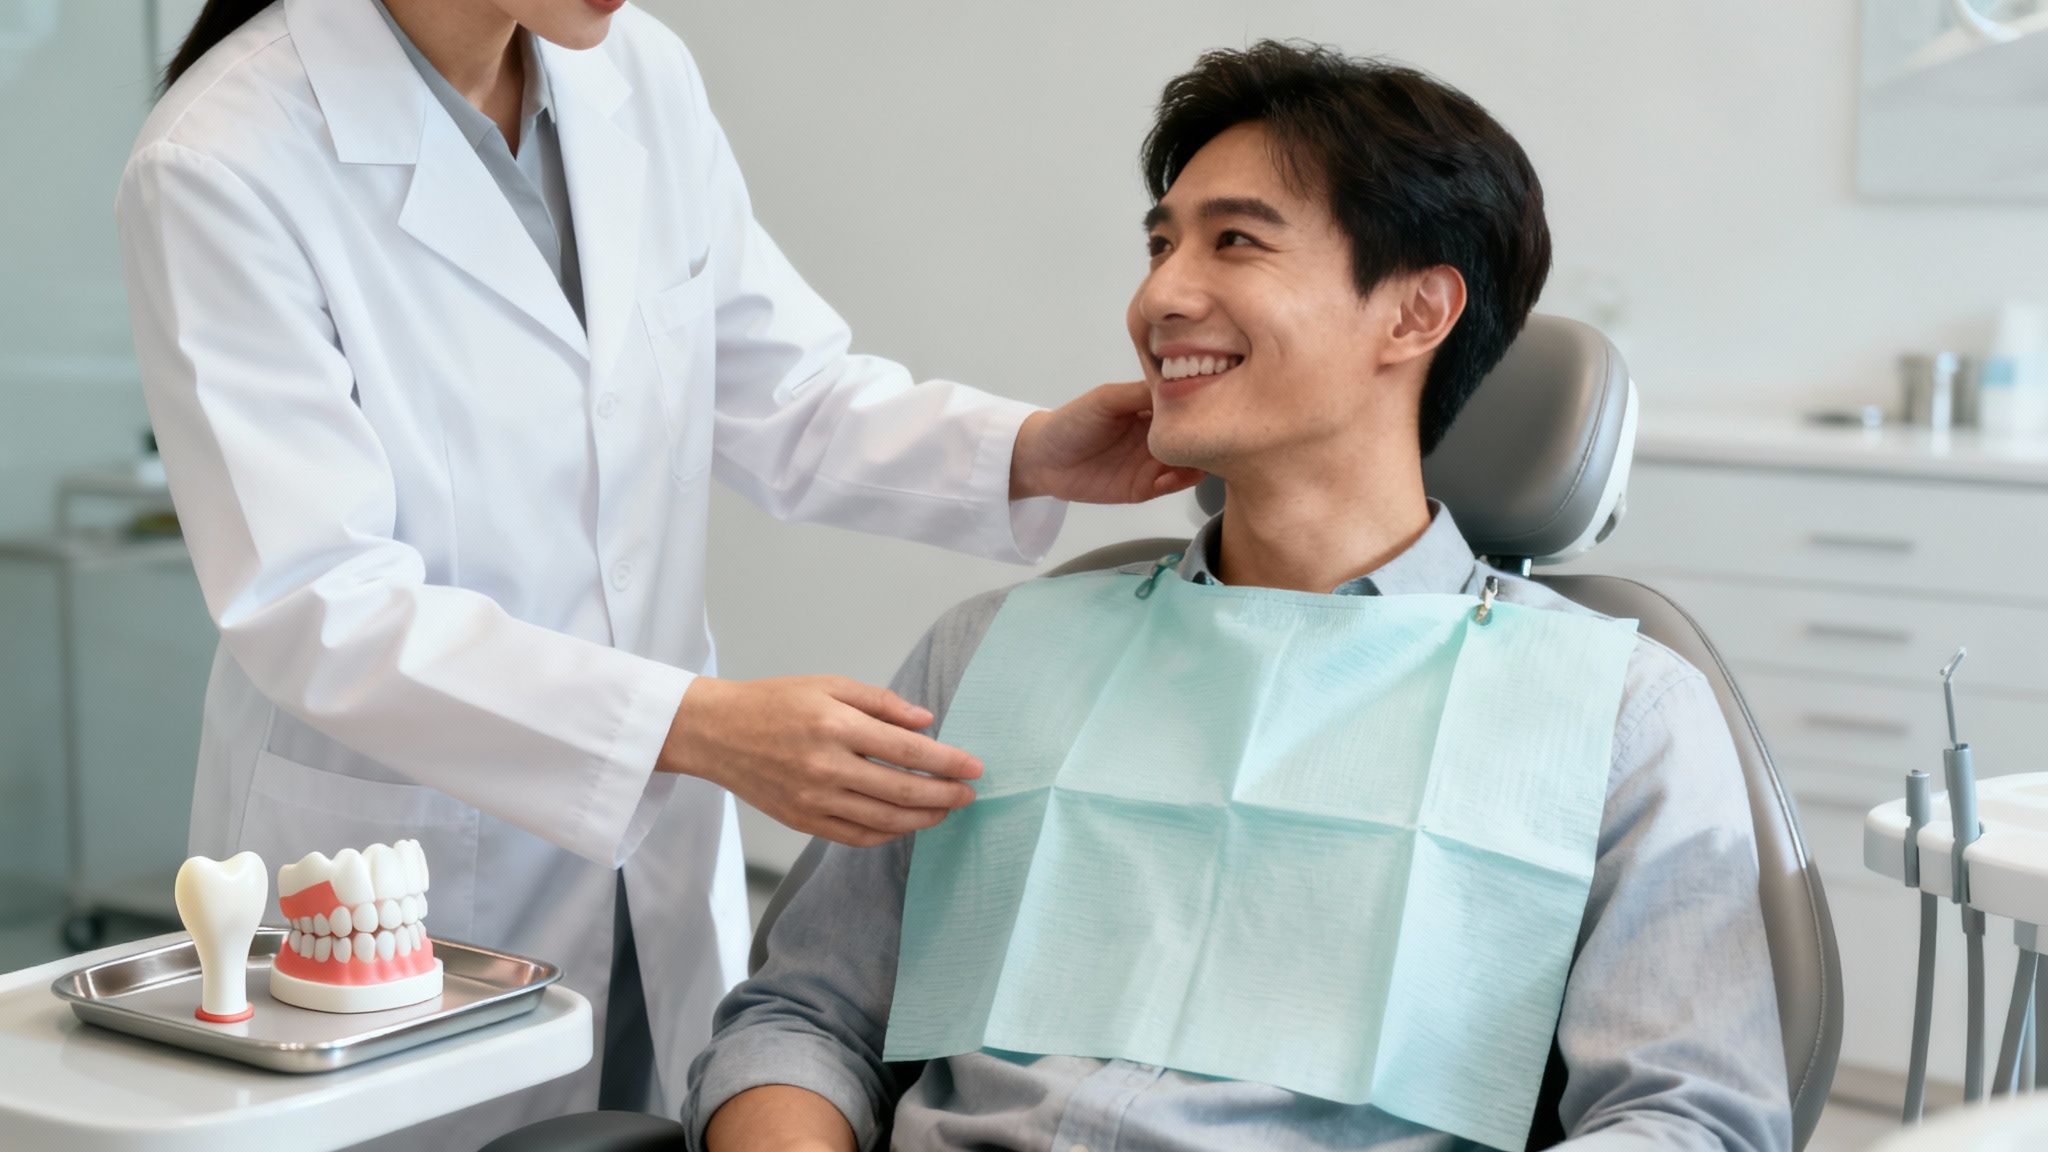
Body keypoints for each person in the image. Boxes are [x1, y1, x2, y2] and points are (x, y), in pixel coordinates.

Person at [116, 0, 1201, 1143]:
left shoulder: (633, 73)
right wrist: (693, 727)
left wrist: (1026, 453)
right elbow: (316, 604)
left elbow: (782, 391)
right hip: (406, 877)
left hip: (651, 859)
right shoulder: (221, 158)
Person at [685, 41, 1793, 1152]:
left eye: (1234, 243)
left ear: (1414, 314)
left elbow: (1686, 1120)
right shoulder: (993, 652)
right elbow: (803, 1017)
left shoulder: (1616, 714)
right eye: (1160, 244)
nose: (1160, 295)